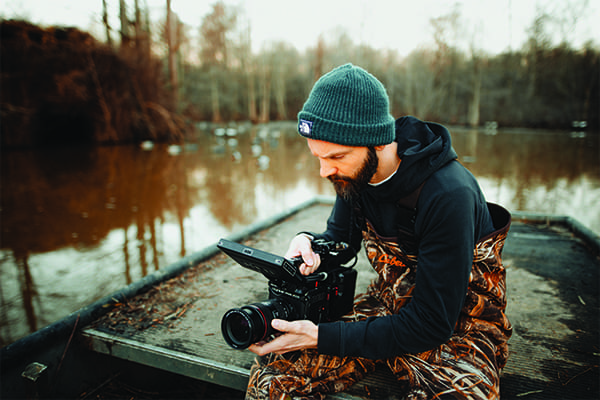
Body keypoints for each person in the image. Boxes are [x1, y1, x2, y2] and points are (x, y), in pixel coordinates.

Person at [245, 63, 512, 400]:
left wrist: (321, 336)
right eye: (317, 156)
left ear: (379, 143)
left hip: (458, 324)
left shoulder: (448, 194)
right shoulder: (352, 174)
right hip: (388, 302)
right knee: (273, 378)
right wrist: (311, 243)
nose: (325, 170)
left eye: (336, 156)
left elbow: (431, 323)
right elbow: (341, 241)